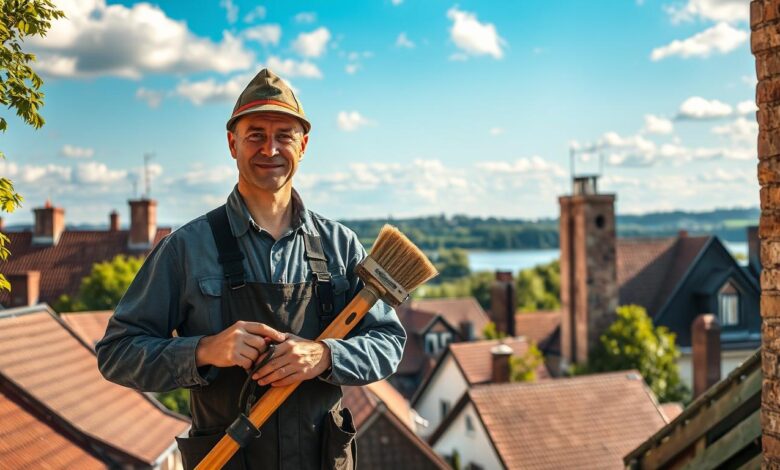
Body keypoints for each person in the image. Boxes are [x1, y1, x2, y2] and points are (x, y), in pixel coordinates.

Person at [96, 69, 406, 470]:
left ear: (304, 145)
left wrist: (325, 355)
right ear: (232, 143)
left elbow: (388, 342)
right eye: (256, 134)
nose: (270, 149)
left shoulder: (340, 245)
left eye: (284, 136)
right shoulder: (186, 249)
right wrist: (205, 350)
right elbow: (116, 354)